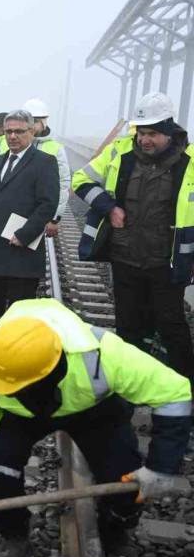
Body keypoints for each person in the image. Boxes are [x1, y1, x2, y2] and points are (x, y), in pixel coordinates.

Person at [0, 299, 192, 557]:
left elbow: (175, 394)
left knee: (124, 476)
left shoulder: (102, 352)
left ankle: (116, 531)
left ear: (51, 371)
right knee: (4, 464)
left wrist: (160, 468)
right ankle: (14, 535)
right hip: (22, 417)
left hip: (94, 411)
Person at [72, 91, 194, 379]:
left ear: (168, 130)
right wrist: (109, 206)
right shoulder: (120, 151)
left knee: (171, 326)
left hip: (167, 263)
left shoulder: (189, 161)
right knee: (128, 327)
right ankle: (129, 387)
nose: (144, 140)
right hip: (126, 258)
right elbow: (81, 179)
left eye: (152, 133)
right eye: (141, 132)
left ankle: (183, 391)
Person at [0, 110, 59, 329]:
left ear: (31, 132)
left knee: (19, 312)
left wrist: (24, 234)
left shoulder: (44, 162)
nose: (13, 136)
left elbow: (48, 204)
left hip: (20, 249)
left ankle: (15, 356)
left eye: (19, 131)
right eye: (8, 131)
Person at [22, 99, 71, 237]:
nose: (31, 125)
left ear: (44, 122)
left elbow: (63, 183)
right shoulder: (11, 143)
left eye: (35, 121)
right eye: (28, 120)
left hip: (38, 213)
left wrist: (55, 218)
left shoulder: (56, 148)